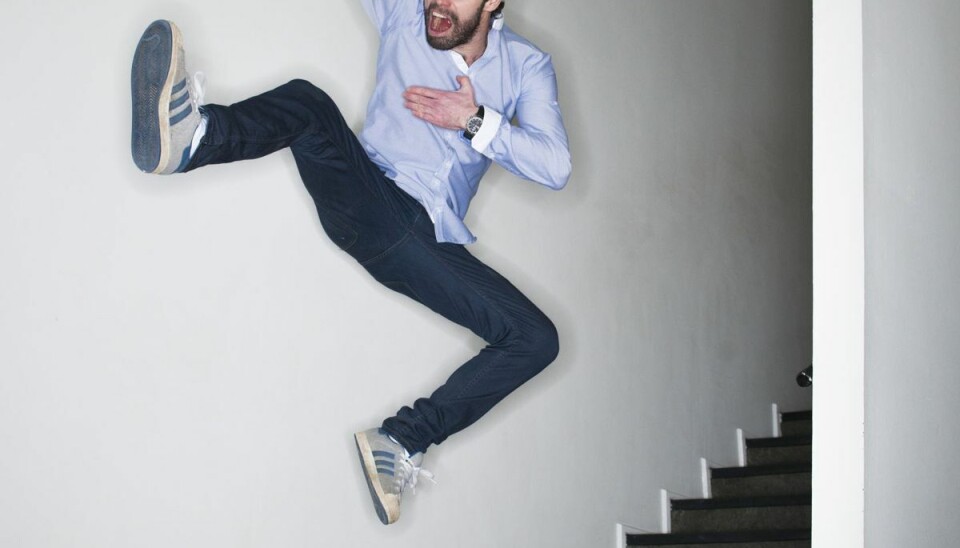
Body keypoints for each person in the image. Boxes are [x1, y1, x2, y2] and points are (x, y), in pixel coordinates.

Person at [130, 0, 571, 525]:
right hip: (367, 194)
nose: (437, 4)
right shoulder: (403, 14)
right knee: (308, 104)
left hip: (427, 240)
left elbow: (555, 165)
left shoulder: (526, 65)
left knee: (536, 338)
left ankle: (402, 440)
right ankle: (195, 137)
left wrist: (475, 120)